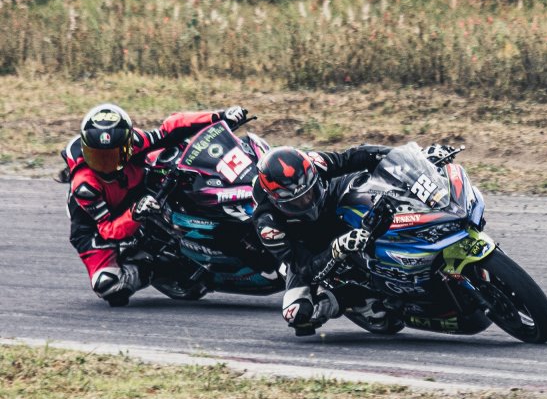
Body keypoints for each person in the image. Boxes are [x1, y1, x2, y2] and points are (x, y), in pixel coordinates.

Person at [252, 142, 456, 335]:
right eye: (297, 201)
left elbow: (360, 156)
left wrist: (417, 160)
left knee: (371, 186)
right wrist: (335, 250)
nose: (308, 201)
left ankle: (413, 233)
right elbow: (304, 268)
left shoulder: (315, 164)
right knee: (297, 313)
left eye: (310, 192)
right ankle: (344, 298)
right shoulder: (268, 225)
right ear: (277, 201)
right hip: (308, 249)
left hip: (332, 204)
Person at [61, 103, 248, 306]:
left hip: (133, 187)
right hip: (97, 223)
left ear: (128, 146)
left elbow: (170, 129)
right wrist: (134, 213)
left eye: (114, 156)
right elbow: (107, 229)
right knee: (109, 285)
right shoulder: (85, 186)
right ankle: (154, 267)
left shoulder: (136, 141)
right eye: (98, 158)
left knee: (173, 155)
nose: (105, 166)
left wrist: (219, 117)